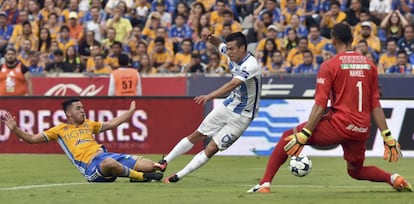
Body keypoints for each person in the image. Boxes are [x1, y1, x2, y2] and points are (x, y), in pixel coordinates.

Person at [247, 23, 413, 193]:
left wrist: (305, 133)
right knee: (355, 171)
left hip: (339, 125)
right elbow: (375, 104)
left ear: (333, 40)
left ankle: (264, 184)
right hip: (361, 129)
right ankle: (394, 178)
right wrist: (387, 135)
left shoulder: (330, 65)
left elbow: (320, 104)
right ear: (352, 39)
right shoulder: (370, 65)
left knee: (288, 136)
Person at [158, 32, 262, 183]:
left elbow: (233, 84)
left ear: (242, 48)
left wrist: (210, 96)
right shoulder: (229, 52)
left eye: (232, 49)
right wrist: (209, 38)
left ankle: (177, 176)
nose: (229, 52)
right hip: (229, 104)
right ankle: (165, 161)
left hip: (243, 115)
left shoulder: (251, 65)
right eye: (228, 48)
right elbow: (219, 44)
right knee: (198, 134)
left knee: (212, 148)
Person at [1, 98, 163, 182]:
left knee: (150, 166)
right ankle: (139, 177)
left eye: (83, 107)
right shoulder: (59, 130)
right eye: (78, 108)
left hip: (107, 156)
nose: (83, 111)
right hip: (92, 167)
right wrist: (15, 129)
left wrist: (130, 111)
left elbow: (113, 123)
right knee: (109, 164)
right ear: (69, 114)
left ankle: (139, 174)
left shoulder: (88, 124)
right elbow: (31, 139)